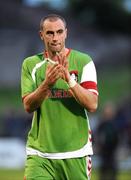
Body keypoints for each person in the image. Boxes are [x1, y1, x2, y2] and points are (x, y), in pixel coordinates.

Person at [21, 14, 98, 180]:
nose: (55, 38)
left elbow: (92, 104)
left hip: (76, 153)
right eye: (49, 33)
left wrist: (69, 80)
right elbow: (28, 106)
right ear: (41, 34)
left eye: (59, 32)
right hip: (40, 155)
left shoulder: (84, 61)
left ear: (66, 33)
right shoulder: (31, 64)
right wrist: (47, 84)